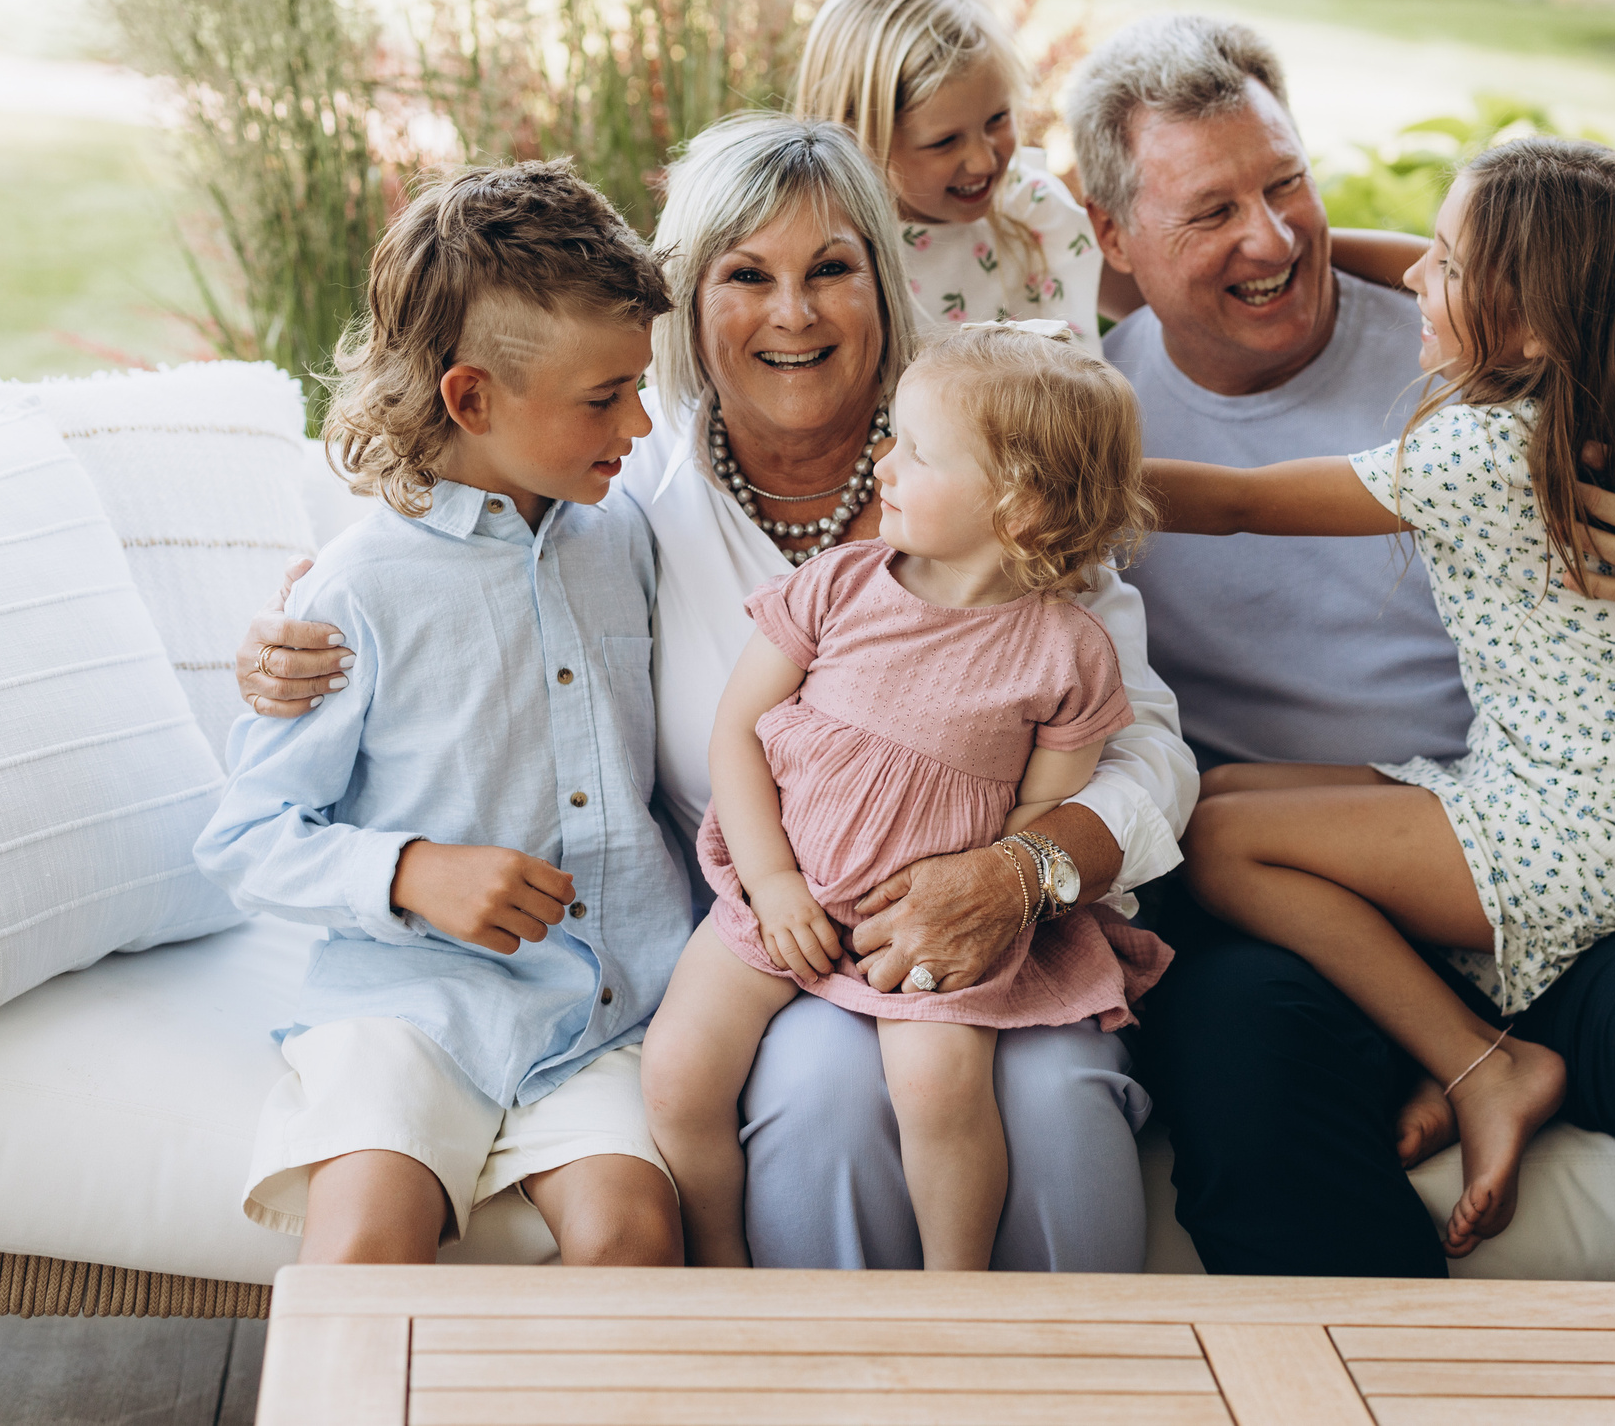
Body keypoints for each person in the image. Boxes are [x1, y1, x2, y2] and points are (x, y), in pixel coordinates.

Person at [235, 114, 1196, 1271]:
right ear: (690, 306)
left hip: (988, 931)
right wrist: (297, 628)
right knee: (819, 1103)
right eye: (747, 276)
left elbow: (1145, 751)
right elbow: (464, 527)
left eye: (831, 270)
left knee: (1051, 1101)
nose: (791, 314)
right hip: (763, 932)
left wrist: (1020, 870)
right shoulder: (625, 485)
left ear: (885, 288)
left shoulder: (1002, 474)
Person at [1070, 13, 1615, 1284]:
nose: (1274, 238)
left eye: (1288, 184)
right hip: (1298, 916)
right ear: (1109, 236)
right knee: (1238, 1056)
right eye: (1210, 211)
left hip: (1528, 871)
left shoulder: (1485, 357)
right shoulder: (1094, 407)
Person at [1148, 136, 1615, 1258]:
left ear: (1530, 321)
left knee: (1219, 849)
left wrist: (1041, 458)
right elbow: (1459, 272)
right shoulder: (1585, 418)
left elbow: (1244, 504)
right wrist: (1323, 242)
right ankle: (1443, 1050)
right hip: (1579, 809)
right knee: (1226, 790)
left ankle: (1483, 1061)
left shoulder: (1482, 456)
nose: (1409, 280)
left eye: (1443, 264)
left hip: (1560, 837)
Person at [195, 161, 692, 1267]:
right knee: (367, 1237)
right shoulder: (352, 590)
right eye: (604, 398)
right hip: (408, 1005)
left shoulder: (625, 537)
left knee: (632, 1240)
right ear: (473, 399)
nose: (639, 420)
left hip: (603, 1006)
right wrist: (414, 871)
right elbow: (247, 838)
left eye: (639, 386)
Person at [643, 325, 1170, 1269]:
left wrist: (968, 898)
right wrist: (770, 883)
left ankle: (951, 1288)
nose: (884, 462)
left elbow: (1041, 812)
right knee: (680, 1076)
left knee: (940, 1098)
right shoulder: (839, 585)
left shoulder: (1068, 649)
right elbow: (738, 731)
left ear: (1022, 506)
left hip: (929, 932)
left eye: (917, 451)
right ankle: (721, 1269)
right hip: (784, 898)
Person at [795, 0, 1104, 348]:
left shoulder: (1032, 210)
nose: (984, 161)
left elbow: (1085, 367)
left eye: (997, 119)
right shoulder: (828, 246)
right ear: (857, 135)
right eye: (944, 142)